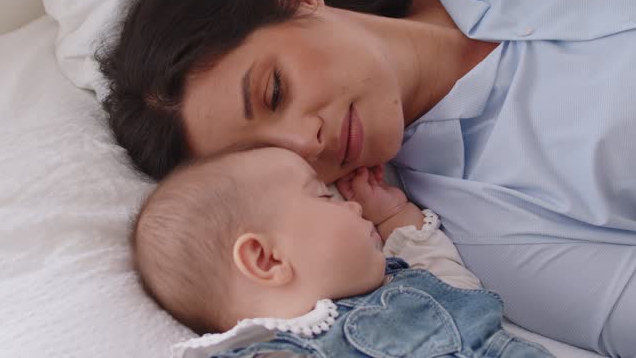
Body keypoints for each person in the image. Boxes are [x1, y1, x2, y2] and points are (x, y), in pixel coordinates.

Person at [98, 0, 636, 356]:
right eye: (278, 155)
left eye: (272, 91)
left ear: (294, 0)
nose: (306, 141)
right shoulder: (481, 232)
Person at [135, 146, 554, 358]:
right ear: (268, 260)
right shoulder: (273, 351)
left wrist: (393, 217)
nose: (350, 204)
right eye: (324, 196)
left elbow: (455, 283)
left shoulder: (402, 279)